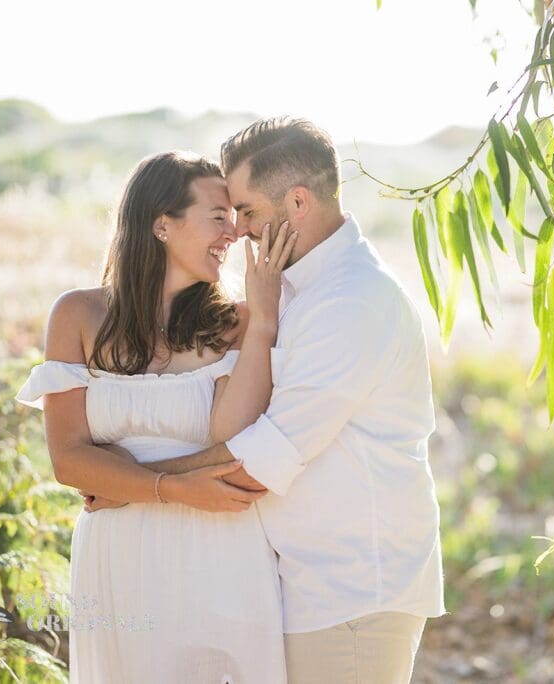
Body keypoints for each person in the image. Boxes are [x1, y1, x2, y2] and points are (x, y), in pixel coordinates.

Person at [110, 117, 446, 682]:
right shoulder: (293, 290)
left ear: (297, 201)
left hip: (353, 592)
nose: (238, 230)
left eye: (248, 211)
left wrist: (132, 483)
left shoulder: (352, 303)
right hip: (308, 585)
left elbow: (264, 459)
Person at [15, 150, 297, 683]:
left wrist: (263, 321)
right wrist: (173, 488)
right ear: (161, 224)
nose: (234, 233)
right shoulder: (77, 315)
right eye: (218, 216)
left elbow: (238, 441)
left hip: (221, 547)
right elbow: (69, 460)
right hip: (120, 556)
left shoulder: (238, 324)